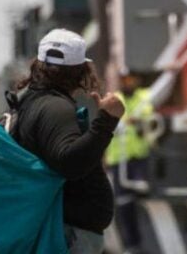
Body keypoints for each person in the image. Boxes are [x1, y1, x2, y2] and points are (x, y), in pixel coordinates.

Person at [10, 28, 125, 253]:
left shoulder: (35, 103)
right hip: (68, 237)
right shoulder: (55, 108)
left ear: (38, 65)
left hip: (62, 233)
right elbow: (69, 161)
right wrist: (107, 120)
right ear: (81, 71)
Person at [105, 74, 153, 253]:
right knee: (124, 203)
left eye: (132, 79)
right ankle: (132, 244)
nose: (128, 83)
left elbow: (164, 90)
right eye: (124, 79)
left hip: (139, 157)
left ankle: (137, 242)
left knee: (140, 197)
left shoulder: (146, 96)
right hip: (119, 160)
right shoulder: (115, 100)